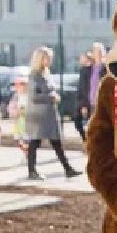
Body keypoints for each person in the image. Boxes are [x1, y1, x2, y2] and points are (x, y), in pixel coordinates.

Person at [23, 46, 78, 180]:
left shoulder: (46, 74)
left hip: (49, 115)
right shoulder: (34, 76)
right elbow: (34, 96)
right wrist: (51, 97)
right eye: (47, 58)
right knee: (34, 142)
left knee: (56, 142)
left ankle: (68, 168)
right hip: (38, 115)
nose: (49, 60)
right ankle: (32, 171)